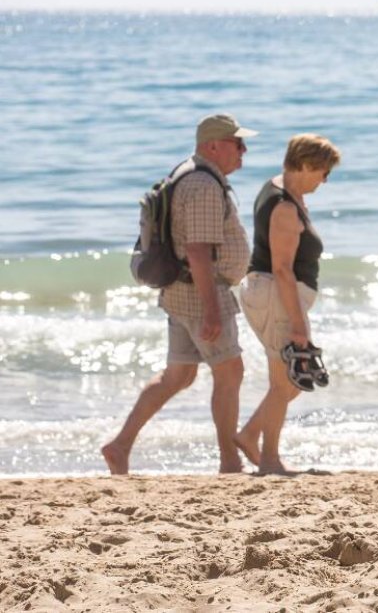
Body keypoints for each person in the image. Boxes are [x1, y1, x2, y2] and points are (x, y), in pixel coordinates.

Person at [102, 114, 254, 475]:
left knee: (179, 376)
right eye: (237, 143)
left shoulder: (189, 174)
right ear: (213, 146)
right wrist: (213, 309)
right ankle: (230, 460)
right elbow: (199, 251)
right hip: (200, 293)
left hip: (182, 291)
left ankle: (119, 446)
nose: (244, 151)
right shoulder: (202, 184)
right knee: (230, 372)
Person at [235, 133, 340, 474]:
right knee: (285, 383)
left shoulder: (283, 191)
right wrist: (297, 326)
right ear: (307, 164)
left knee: (290, 380)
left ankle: (251, 435)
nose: (325, 181)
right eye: (323, 172)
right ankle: (268, 459)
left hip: (276, 296)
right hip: (275, 296)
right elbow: (281, 269)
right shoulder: (283, 206)